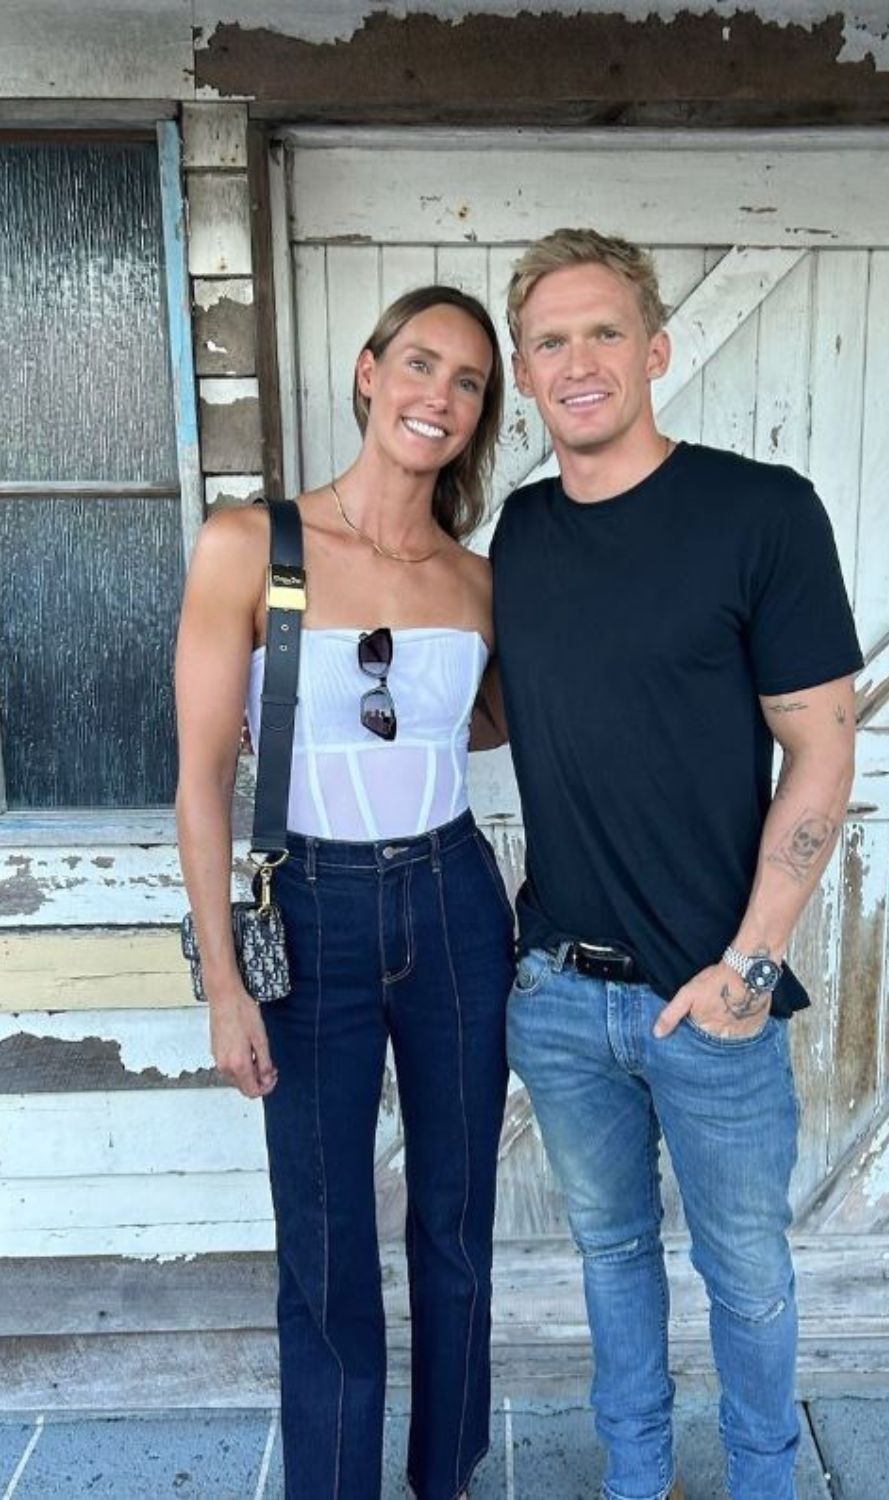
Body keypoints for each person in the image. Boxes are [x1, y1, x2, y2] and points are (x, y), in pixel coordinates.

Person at [491, 229, 863, 1500]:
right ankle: (634, 1478)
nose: (578, 361)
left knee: (746, 1269)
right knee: (608, 1254)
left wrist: (751, 966)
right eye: (550, 340)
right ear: (525, 375)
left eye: (603, 333)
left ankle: (764, 1480)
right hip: (555, 991)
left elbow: (820, 751)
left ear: (655, 350)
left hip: (714, 997)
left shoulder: (759, 511)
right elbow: (498, 705)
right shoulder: (521, 532)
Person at [175, 285, 514, 1500]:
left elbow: (480, 725)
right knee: (324, 1245)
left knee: (455, 1225)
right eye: (420, 364)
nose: (438, 395)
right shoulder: (250, 545)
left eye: (468, 381)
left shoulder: (478, 582)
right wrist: (223, 983)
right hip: (307, 912)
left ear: (480, 416)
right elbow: (205, 779)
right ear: (368, 373)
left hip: (456, 906)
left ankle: (447, 1478)